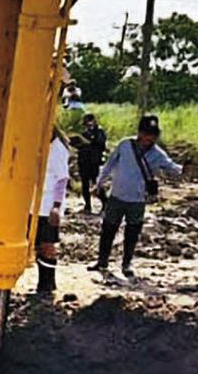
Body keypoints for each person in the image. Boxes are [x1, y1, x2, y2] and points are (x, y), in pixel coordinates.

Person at [94, 113, 183, 280]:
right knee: (108, 230)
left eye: (153, 135)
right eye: (147, 133)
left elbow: (172, 167)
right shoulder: (125, 145)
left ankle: (127, 264)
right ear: (140, 132)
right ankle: (102, 261)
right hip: (117, 196)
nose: (150, 138)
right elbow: (109, 164)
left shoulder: (158, 154)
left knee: (132, 234)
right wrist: (99, 183)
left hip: (137, 200)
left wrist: (183, 169)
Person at [34, 128, 73, 296]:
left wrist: (56, 206)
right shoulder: (42, 146)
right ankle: (45, 284)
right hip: (36, 204)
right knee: (38, 245)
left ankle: (47, 285)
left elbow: (62, 179)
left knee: (46, 245)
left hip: (48, 206)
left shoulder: (57, 149)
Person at [71, 111, 108, 213]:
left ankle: (105, 202)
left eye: (89, 122)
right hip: (84, 161)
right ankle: (87, 206)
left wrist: (86, 142)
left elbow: (99, 144)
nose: (88, 125)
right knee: (85, 185)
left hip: (94, 162)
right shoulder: (84, 133)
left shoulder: (100, 132)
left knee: (97, 184)